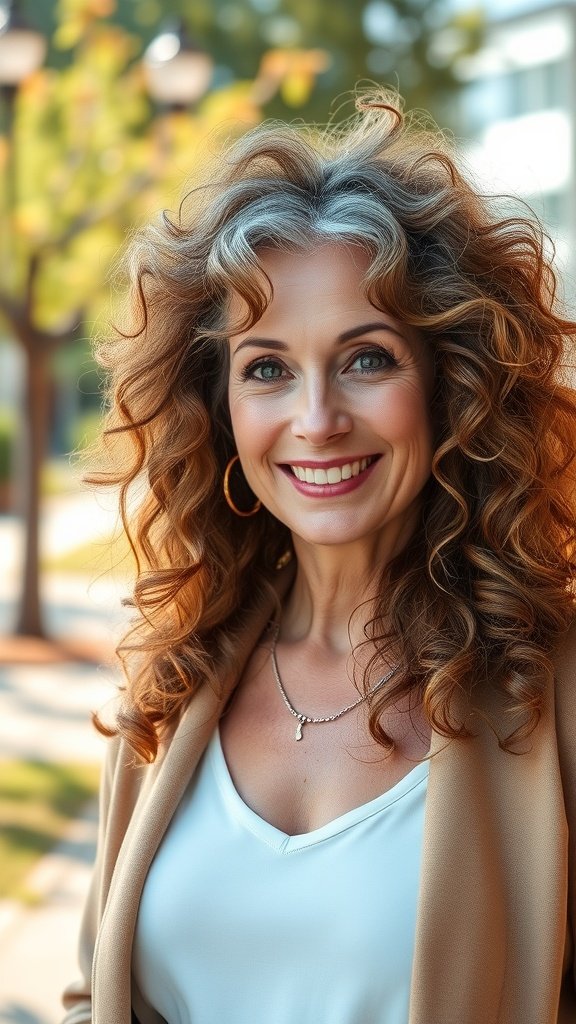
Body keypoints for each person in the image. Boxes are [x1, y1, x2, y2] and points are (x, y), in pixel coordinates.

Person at [62, 88, 576, 1024]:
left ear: (451, 381)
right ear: (219, 407)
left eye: (367, 357)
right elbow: (97, 991)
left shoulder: (555, 692)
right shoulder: (174, 678)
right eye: (267, 368)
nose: (317, 419)